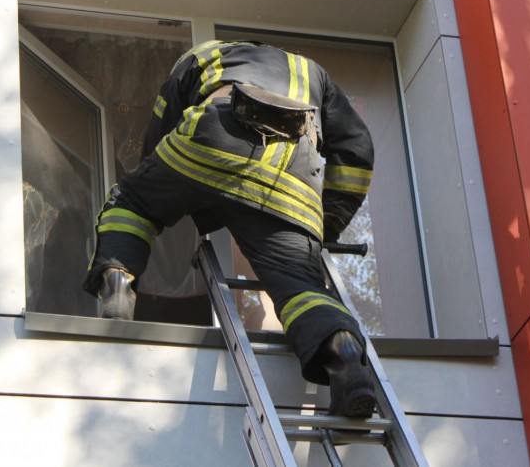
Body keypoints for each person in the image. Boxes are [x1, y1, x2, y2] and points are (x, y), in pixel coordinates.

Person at [82, 39, 376, 417]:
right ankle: (344, 354)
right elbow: (357, 149)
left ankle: (118, 283)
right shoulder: (313, 72)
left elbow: (162, 125)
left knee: (132, 202)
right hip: (288, 175)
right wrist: (325, 225)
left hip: (214, 133)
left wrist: (164, 191)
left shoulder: (203, 54)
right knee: (300, 287)